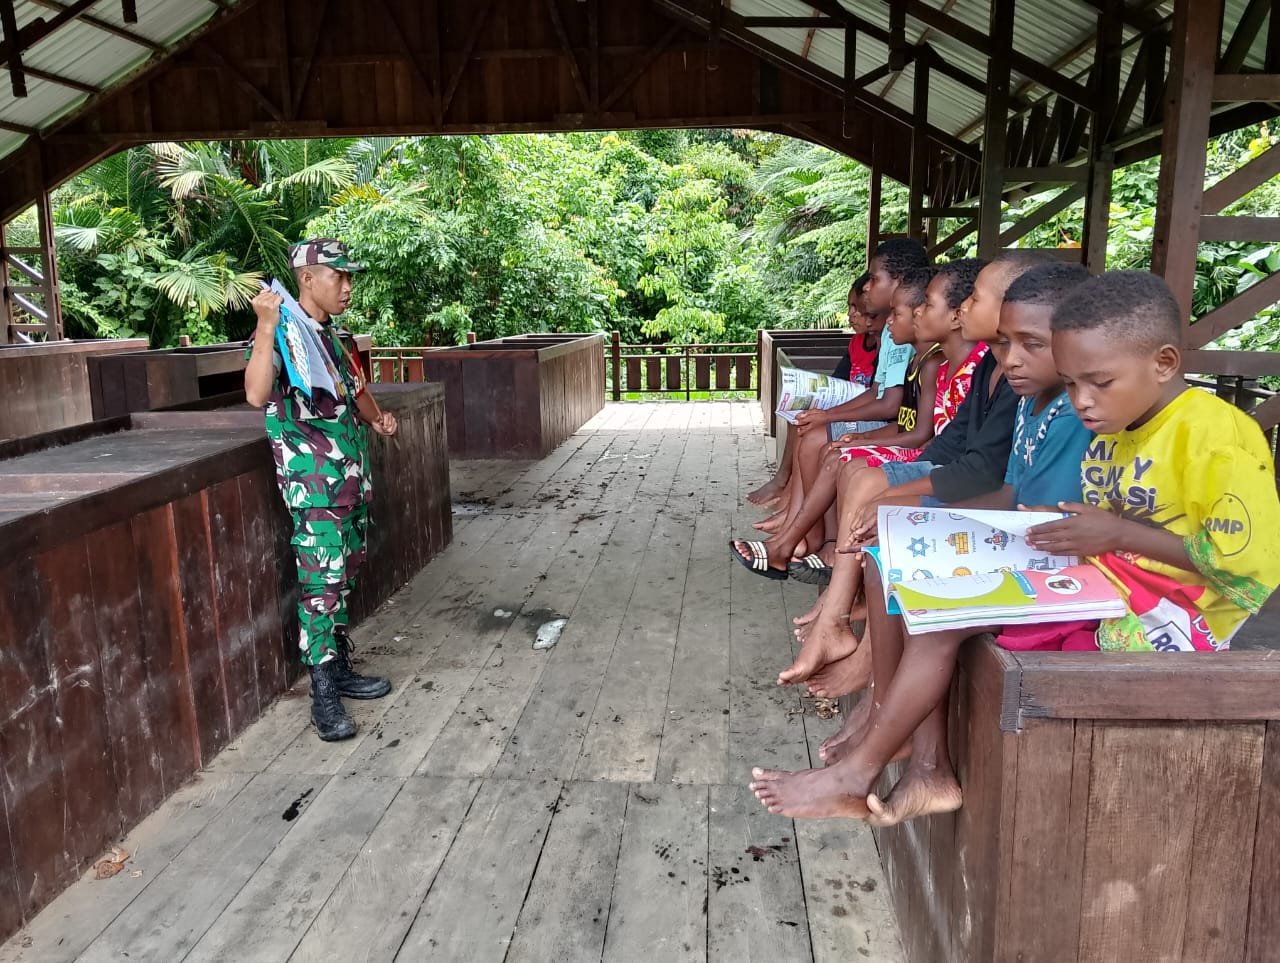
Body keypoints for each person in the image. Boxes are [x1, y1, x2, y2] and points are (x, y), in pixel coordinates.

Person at [751, 268, 1280, 825]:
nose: (1083, 401)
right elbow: (1035, 499)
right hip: (1099, 574)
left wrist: (1117, 534)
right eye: (1072, 384)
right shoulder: (1117, 421)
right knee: (905, 567)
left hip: (1169, 615)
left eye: (1098, 382)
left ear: (1164, 363)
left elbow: (1250, 563)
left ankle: (866, 774)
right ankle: (912, 761)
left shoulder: (1213, 434)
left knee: (939, 612)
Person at [779, 252, 1042, 691]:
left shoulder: (1008, 376)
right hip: (969, 485)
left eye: (975, 299)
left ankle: (854, 642)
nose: (965, 307)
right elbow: (951, 442)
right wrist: (900, 477)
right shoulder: (989, 368)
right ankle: (837, 613)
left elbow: (981, 470)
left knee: (882, 511)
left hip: (1002, 516)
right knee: (868, 487)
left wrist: (899, 492)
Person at [244, 238, 399, 742]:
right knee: (321, 589)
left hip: (349, 483)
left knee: (343, 576)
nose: (347, 286)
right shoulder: (283, 334)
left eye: (350, 277)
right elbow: (256, 393)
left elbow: (356, 391)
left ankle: (338, 667)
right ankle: (323, 694)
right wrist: (266, 326)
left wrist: (378, 420)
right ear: (307, 279)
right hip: (314, 491)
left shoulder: (333, 336)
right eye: (339, 276)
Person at [746, 274, 875, 508]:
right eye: (850, 307)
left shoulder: (888, 347)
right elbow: (837, 380)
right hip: (848, 406)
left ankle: (792, 498)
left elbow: (879, 398)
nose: (851, 314)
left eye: (858, 308)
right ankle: (784, 483)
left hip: (865, 414)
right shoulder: (856, 343)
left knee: (812, 432)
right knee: (801, 415)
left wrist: (828, 415)